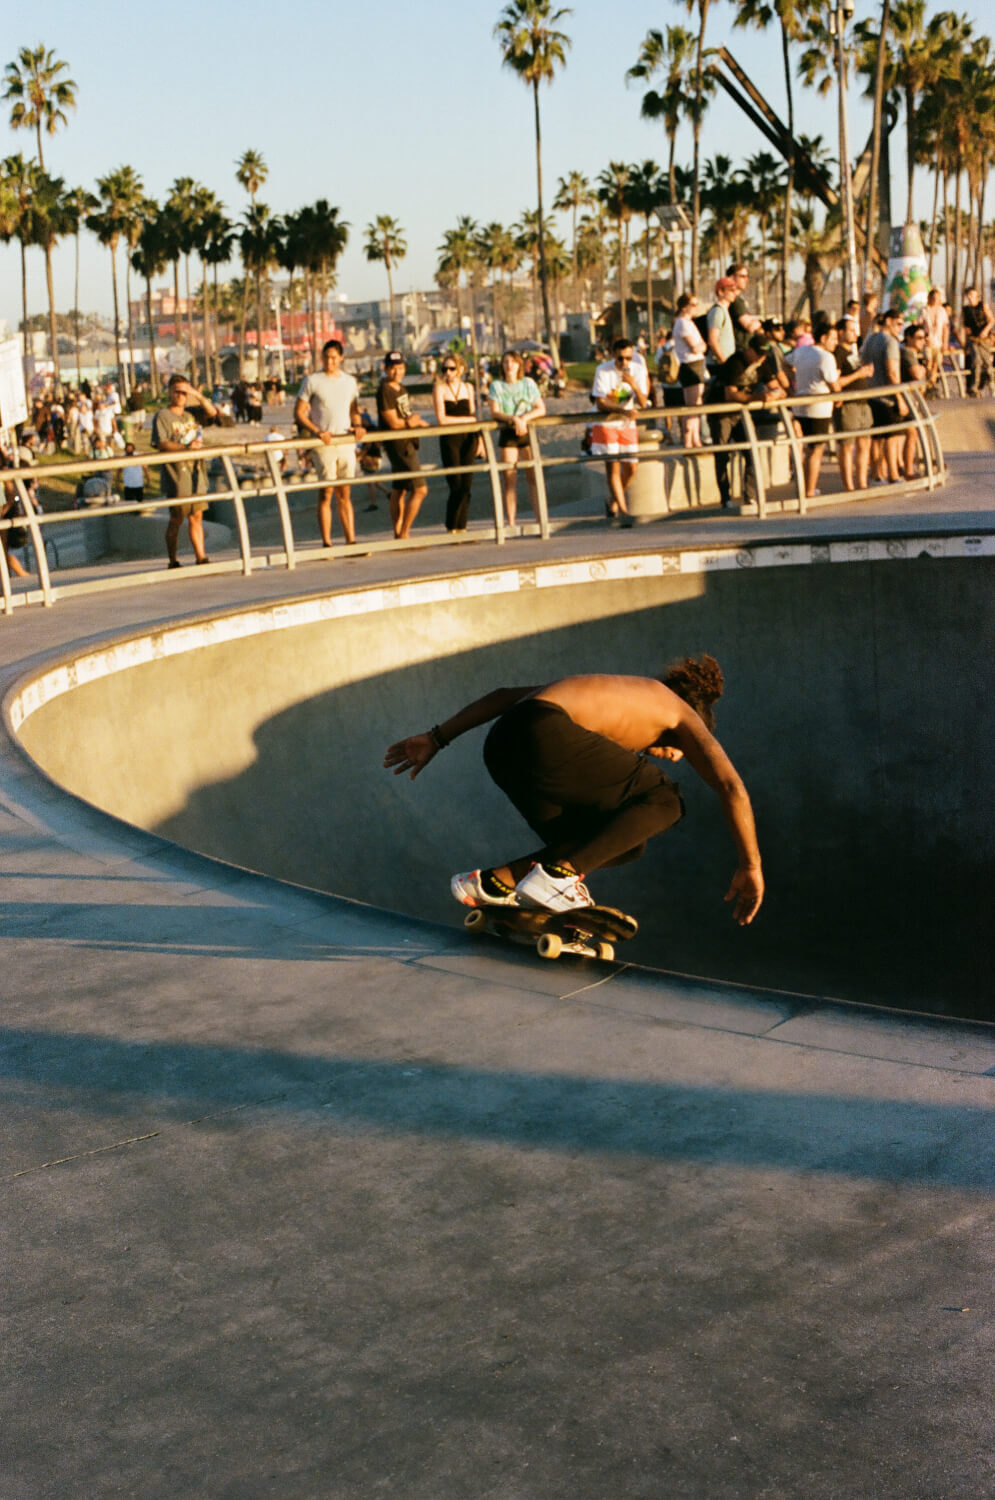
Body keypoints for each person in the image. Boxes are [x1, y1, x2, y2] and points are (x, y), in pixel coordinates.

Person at [383, 656, 764, 926]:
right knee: (665, 799)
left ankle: (491, 883)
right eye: (673, 752)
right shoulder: (682, 713)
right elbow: (732, 787)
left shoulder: (623, 692)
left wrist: (437, 738)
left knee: (610, 841)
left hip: (503, 746)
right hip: (545, 731)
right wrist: (750, 865)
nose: (670, 758)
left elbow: (502, 696)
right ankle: (555, 880)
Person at [787, 320, 871, 499]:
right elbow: (834, 384)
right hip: (819, 409)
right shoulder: (825, 357)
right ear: (823, 338)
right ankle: (809, 490)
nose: (835, 342)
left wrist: (791, 386)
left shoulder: (801, 351)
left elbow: (785, 362)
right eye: (832, 338)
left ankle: (806, 488)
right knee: (816, 450)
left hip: (800, 405)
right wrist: (839, 396)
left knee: (808, 450)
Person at [294, 339, 365, 550]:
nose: (330, 361)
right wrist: (317, 431)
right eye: (326, 357)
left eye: (334, 357)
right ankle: (327, 542)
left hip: (345, 441)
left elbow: (354, 408)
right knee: (326, 491)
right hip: (324, 442)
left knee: (345, 493)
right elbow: (299, 412)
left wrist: (358, 425)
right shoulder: (312, 381)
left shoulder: (349, 382)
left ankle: (350, 540)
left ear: (341, 358)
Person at [151, 373, 219, 568]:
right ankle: (173, 559)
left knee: (197, 515)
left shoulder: (191, 414)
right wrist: (186, 449)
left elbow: (212, 413)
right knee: (177, 518)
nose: (181, 396)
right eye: (177, 392)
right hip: (177, 475)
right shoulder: (163, 416)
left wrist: (196, 394)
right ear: (170, 393)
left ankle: (201, 556)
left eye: (184, 392)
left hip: (196, 472)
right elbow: (161, 443)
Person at [705, 334, 776, 509]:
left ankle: (749, 495)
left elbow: (775, 384)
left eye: (764, 355)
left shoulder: (762, 363)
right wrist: (757, 397)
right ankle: (725, 497)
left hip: (742, 412)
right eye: (758, 354)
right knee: (722, 454)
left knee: (751, 451)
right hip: (721, 412)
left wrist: (778, 393)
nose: (761, 358)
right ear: (749, 350)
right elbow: (731, 394)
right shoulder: (735, 362)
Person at [589, 337, 650, 525]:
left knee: (631, 466)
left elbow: (643, 401)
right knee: (613, 466)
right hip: (606, 423)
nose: (624, 362)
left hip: (626, 423)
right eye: (620, 358)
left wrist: (633, 384)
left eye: (628, 358)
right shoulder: (603, 370)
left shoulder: (638, 370)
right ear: (614, 355)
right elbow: (600, 403)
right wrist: (621, 410)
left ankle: (613, 500)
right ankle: (623, 510)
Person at [488, 350, 545, 529]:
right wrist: (512, 419)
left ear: (519, 365)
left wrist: (523, 419)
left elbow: (541, 408)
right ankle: (511, 522)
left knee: (533, 477)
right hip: (508, 433)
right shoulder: (496, 386)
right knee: (510, 479)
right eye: (506, 362)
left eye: (513, 362)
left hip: (527, 432)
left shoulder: (528, 383)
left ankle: (539, 519)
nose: (509, 366)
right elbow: (495, 411)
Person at [377, 351, 430, 539]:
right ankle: (404, 533)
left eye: (400, 368)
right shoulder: (385, 390)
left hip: (407, 440)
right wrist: (411, 423)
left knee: (399, 489)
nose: (396, 372)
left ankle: (398, 531)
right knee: (420, 489)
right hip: (398, 444)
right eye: (392, 368)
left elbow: (406, 415)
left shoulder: (400, 389)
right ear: (385, 369)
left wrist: (418, 422)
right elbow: (392, 421)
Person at [860, 305, 907, 483]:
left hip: (871, 394)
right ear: (888, 321)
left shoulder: (870, 339)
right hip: (887, 397)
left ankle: (877, 474)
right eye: (898, 323)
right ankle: (893, 475)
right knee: (891, 437)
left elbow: (863, 361)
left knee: (877, 437)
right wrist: (900, 399)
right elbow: (892, 373)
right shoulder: (890, 342)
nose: (900, 327)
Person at [433, 353, 477, 534]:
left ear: (460, 369)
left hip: (469, 438)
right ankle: (451, 526)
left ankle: (462, 527)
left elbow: (474, 415)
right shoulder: (440, 389)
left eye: (452, 369)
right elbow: (441, 419)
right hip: (450, 439)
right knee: (455, 484)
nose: (448, 373)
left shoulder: (468, 387)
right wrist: (466, 421)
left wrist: (479, 440)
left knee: (467, 485)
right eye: (445, 369)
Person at [833, 317, 874, 491]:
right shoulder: (837, 354)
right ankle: (848, 485)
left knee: (865, 443)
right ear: (840, 332)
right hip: (848, 405)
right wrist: (858, 375)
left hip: (863, 403)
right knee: (847, 446)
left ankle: (862, 483)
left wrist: (865, 372)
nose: (854, 334)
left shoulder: (852, 352)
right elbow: (836, 381)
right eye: (850, 330)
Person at [671, 293, 708, 447]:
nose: (696, 308)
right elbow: (695, 347)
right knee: (692, 406)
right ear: (684, 306)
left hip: (696, 364)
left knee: (696, 405)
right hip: (690, 365)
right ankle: (689, 440)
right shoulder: (682, 323)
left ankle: (695, 438)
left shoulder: (688, 322)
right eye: (693, 305)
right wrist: (703, 346)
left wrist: (702, 346)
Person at [899, 324, 928, 479]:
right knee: (912, 433)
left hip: (908, 400)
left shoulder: (910, 353)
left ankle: (904, 466)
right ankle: (908, 470)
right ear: (908, 338)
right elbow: (918, 374)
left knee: (906, 435)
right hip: (906, 401)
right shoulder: (908, 353)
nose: (923, 341)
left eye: (924, 338)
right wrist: (923, 370)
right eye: (919, 338)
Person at [961, 286, 994, 397]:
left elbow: (991, 319)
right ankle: (973, 387)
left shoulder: (982, 306)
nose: (970, 298)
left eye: (972, 295)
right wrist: (965, 331)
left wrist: (986, 331)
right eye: (969, 295)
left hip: (984, 339)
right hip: (973, 339)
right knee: (976, 361)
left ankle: (991, 383)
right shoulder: (965, 309)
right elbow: (963, 324)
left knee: (987, 363)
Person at [726, 263, 762, 349]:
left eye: (747, 276)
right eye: (742, 276)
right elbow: (750, 327)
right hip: (740, 349)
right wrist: (757, 322)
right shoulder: (735, 301)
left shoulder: (739, 300)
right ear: (732, 277)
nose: (746, 280)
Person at [921, 288, 949, 392]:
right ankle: (928, 384)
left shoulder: (942, 311)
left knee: (936, 364)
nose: (935, 300)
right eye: (933, 298)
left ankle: (932, 384)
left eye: (937, 298)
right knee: (928, 362)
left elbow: (945, 328)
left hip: (938, 342)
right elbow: (920, 325)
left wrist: (945, 342)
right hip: (928, 342)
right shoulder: (924, 310)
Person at [706, 277, 737, 367]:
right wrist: (725, 362)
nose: (734, 293)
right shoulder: (718, 312)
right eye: (731, 290)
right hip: (718, 365)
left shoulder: (724, 311)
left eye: (735, 290)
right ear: (720, 292)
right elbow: (712, 341)